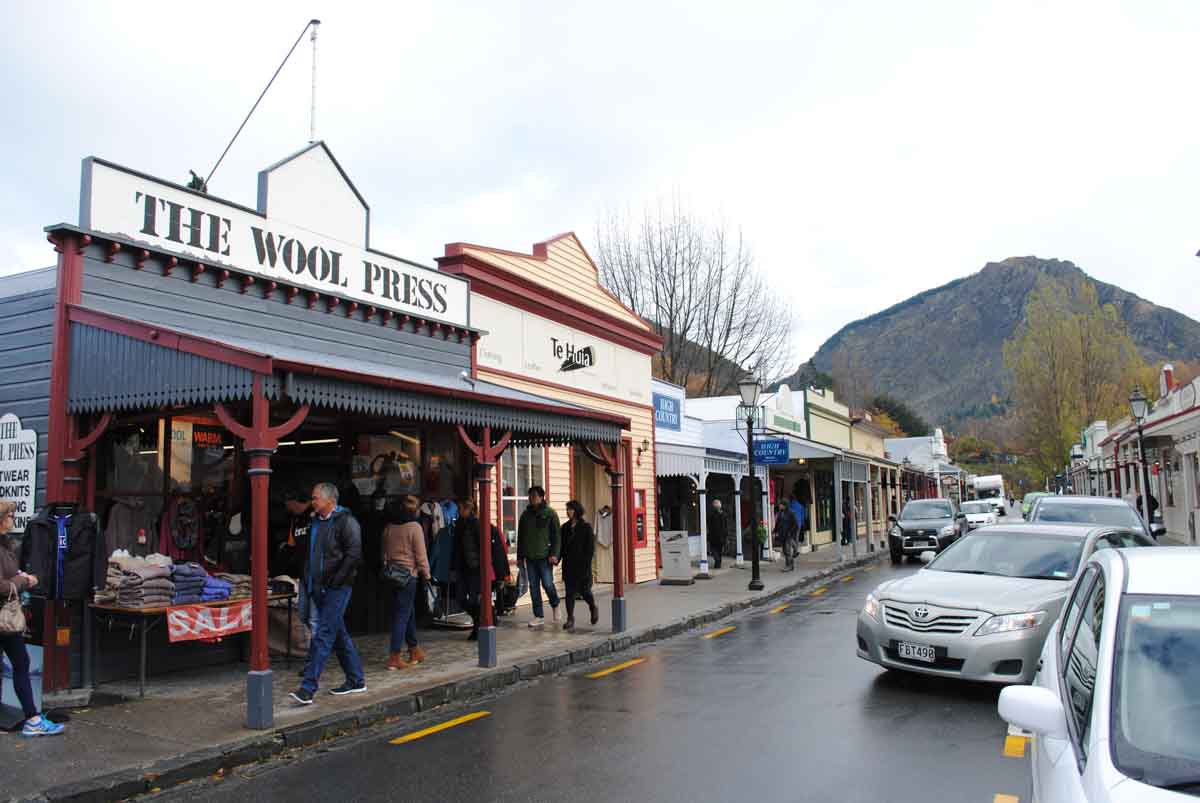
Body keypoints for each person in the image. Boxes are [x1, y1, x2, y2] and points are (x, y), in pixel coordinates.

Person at [290, 483, 366, 705]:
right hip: (317, 587)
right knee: (338, 634)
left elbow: (353, 554)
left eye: (315, 498)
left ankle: (308, 688)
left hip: (336, 588)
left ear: (329, 501)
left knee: (323, 635)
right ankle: (356, 680)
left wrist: (336, 580)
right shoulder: (315, 521)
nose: (312, 502)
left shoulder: (346, 522)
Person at [0, 501, 63, 736]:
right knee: (21, 664)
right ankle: (33, 720)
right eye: (10, 516)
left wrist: (19, 575)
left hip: (6, 617)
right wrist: (24, 581)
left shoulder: (6, 545)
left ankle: (33, 718)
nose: (13, 519)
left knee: (20, 664)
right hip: (5, 618)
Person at [381, 495, 430, 668]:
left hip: (392, 575)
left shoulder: (389, 527)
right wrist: (427, 574)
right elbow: (420, 554)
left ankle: (414, 648)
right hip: (409, 575)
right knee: (402, 616)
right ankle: (394, 656)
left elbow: (385, 554)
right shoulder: (414, 527)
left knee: (406, 613)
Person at [453, 498, 511, 641]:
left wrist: (493, 570)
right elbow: (457, 549)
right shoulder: (459, 526)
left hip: (476, 569)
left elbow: (486, 549)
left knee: (474, 600)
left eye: (461, 509)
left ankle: (478, 626)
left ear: (469, 510)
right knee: (460, 598)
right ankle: (485, 615)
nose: (459, 512)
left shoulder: (478, 525)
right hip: (464, 568)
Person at [516, 486, 561, 628]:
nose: (531, 498)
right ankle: (538, 616)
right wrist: (519, 557)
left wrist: (554, 554)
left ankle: (555, 604)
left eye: (534, 496)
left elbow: (557, 537)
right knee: (533, 587)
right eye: (530, 496)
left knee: (547, 584)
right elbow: (521, 537)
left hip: (545, 556)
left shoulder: (550, 514)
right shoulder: (525, 515)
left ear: (542, 497)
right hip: (529, 557)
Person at [560, 500, 598, 631]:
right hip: (568, 565)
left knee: (585, 591)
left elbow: (590, 549)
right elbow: (561, 547)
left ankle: (592, 607)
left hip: (582, 566)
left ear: (577, 511)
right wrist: (556, 558)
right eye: (567, 509)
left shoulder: (586, 527)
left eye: (570, 509)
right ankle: (570, 618)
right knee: (569, 593)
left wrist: (586, 564)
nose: (568, 512)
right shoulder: (564, 528)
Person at [775, 501, 800, 571]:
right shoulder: (780, 513)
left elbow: (796, 525)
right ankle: (791, 565)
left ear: (785, 505)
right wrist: (775, 531)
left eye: (781, 505)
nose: (779, 506)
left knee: (787, 551)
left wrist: (790, 532)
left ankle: (788, 566)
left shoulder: (791, 513)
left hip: (788, 535)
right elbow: (778, 523)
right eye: (779, 505)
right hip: (782, 534)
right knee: (785, 551)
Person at [707, 499, 727, 569]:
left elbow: (709, 525)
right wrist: (725, 536)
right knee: (719, 550)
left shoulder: (711, 514)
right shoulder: (724, 514)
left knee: (714, 550)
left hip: (714, 535)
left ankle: (717, 561)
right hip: (721, 536)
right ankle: (718, 563)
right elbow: (725, 526)